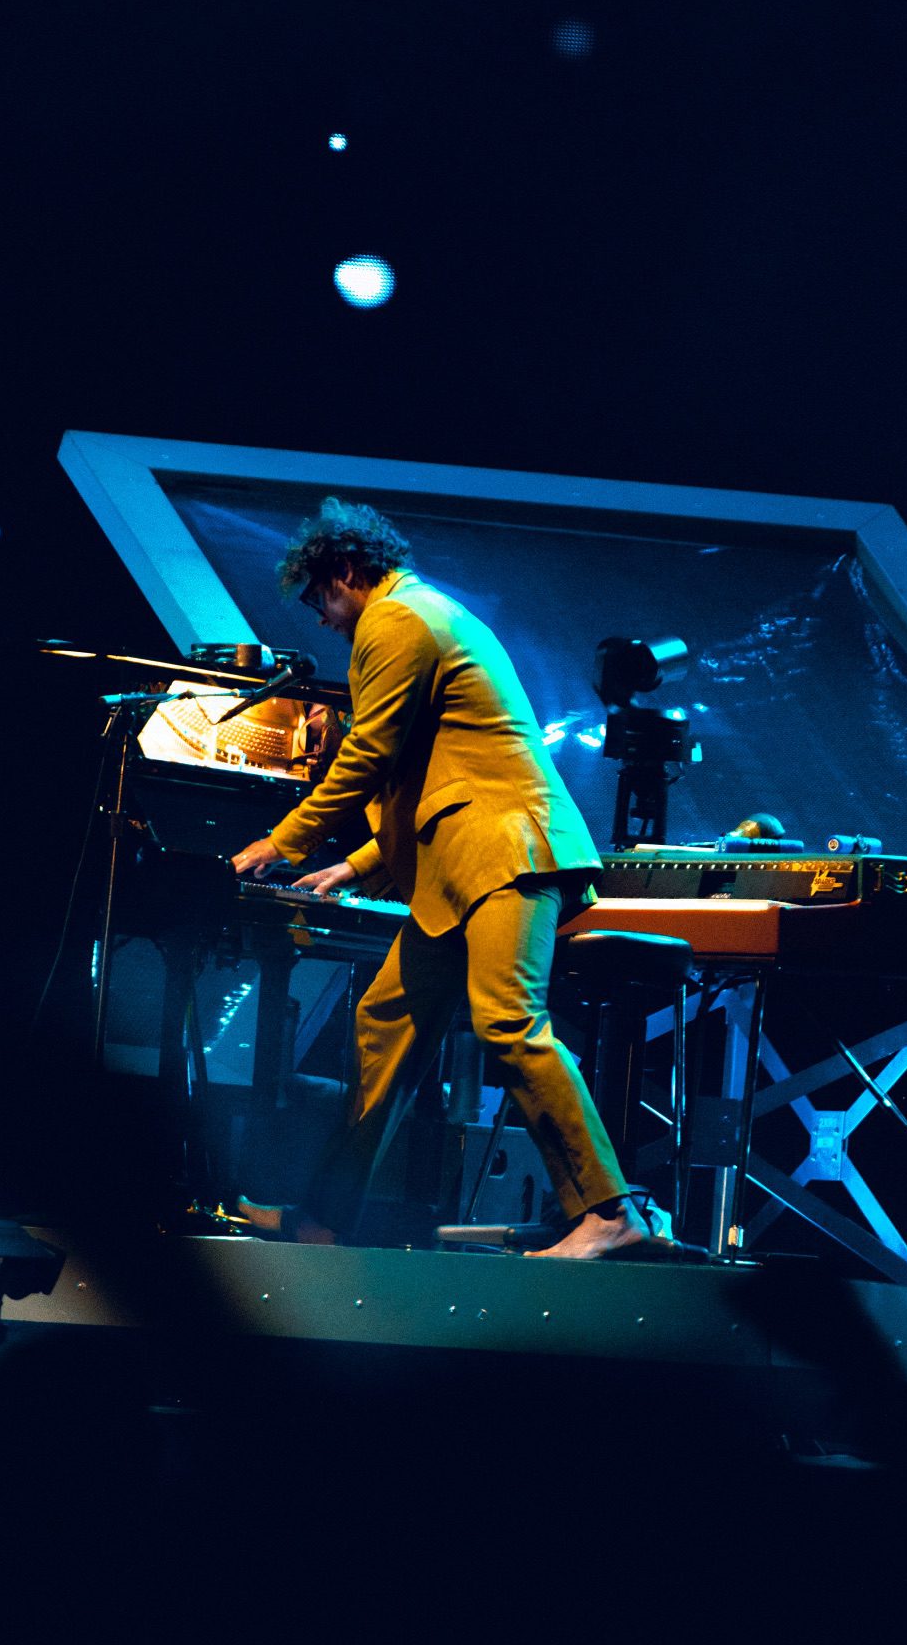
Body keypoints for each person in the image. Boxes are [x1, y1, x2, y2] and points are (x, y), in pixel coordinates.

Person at [230, 498, 665, 1259]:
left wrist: (280, 841)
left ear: (344, 572)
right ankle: (324, 1220)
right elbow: (437, 771)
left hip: (505, 854)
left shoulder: (395, 621)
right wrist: (357, 862)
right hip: (461, 864)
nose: (322, 620)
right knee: (385, 1023)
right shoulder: (425, 613)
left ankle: (609, 1212)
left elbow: (370, 754)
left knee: (508, 1021)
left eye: (318, 601)